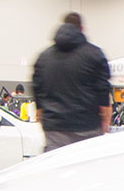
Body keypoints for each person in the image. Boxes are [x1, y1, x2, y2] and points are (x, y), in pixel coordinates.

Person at [32, 12, 112, 151]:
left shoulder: (43, 57)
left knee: (56, 168)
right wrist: (105, 120)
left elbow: (37, 90)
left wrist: (42, 115)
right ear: (82, 28)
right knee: (86, 169)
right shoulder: (95, 54)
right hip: (87, 127)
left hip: (55, 129)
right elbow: (103, 90)